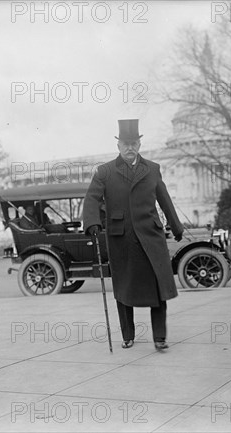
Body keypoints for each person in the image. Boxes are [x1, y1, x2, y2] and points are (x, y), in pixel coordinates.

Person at [83, 119, 184, 351]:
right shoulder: (105, 172)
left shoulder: (152, 169)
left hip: (151, 234)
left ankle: (160, 337)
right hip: (122, 238)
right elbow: (92, 199)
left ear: (139, 144)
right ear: (118, 145)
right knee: (124, 289)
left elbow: (164, 200)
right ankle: (127, 335)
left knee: (159, 286)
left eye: (134, 143)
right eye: (125, 144)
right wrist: (92, 223)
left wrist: (176, 227)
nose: (130, 148)